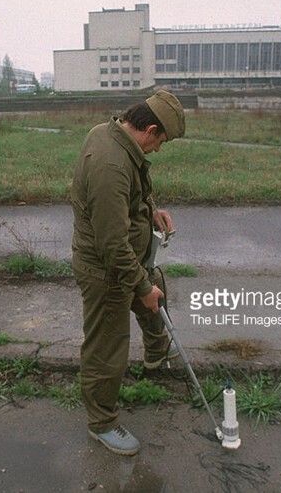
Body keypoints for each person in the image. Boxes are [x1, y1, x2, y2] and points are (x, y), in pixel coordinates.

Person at [71, 90, 185, 456]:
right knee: (108, 346)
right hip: (106, 271)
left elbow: (134, 190)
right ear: (149, 128)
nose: (158, 149)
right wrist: (141, 285)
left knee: (156, 292)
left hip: (127, 258)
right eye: (160, 141)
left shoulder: (113, 135)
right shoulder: (110, 166)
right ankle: (102, 423)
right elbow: (112, 244)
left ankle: (156, 354)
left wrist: (151, 208)